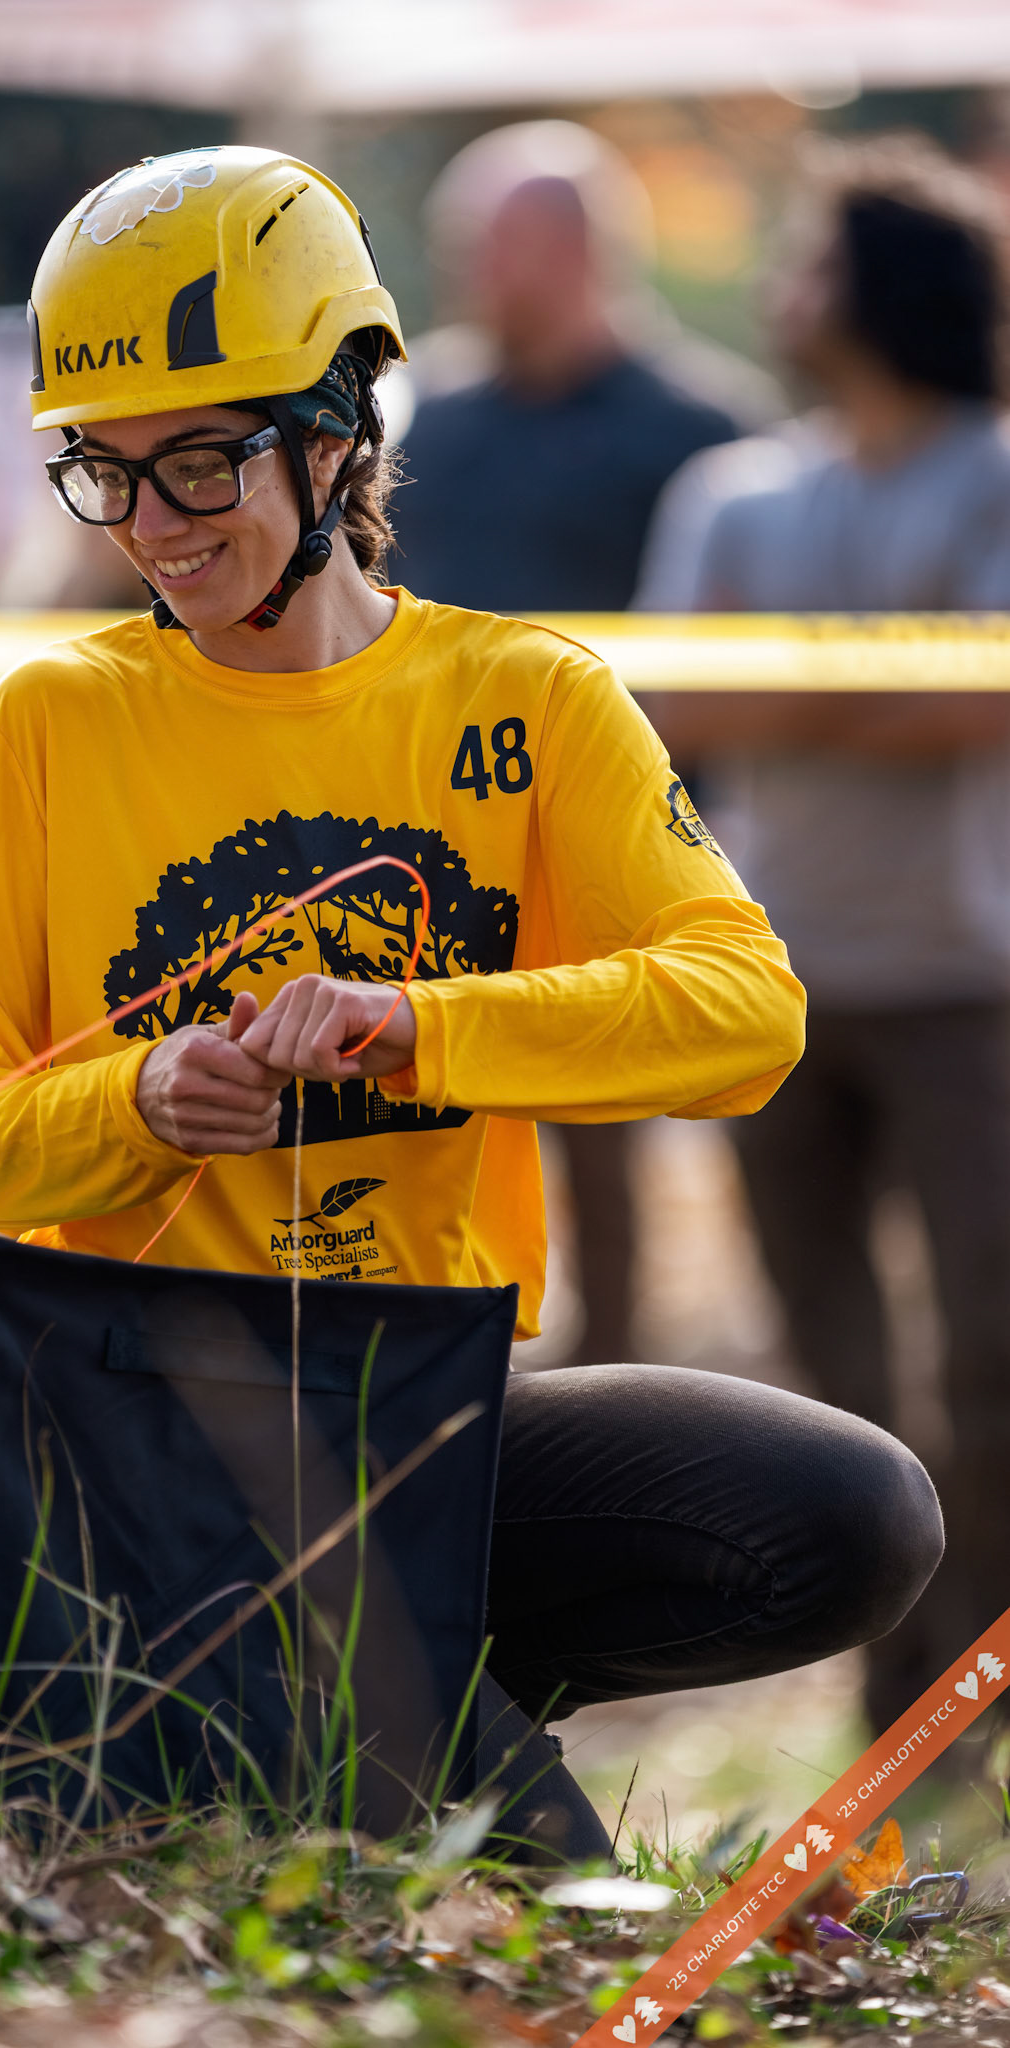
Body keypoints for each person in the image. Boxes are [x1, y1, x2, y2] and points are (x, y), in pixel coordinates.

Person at [0, 145, 941, 1852]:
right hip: (137, 1442)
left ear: (337, 435)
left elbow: (745, 1013)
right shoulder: (42, 726)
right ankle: (318, 1738)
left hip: (425, 1409)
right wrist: (139, 1099)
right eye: (104, 471)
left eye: (200, 462)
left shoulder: (527, 698)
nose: (153, 525)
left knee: (851, 1511)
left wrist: (422, 1024)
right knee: (537, 1895)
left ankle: (382, 1704)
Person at [636, 134, 1010, 1736]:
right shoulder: (733, 489)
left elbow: (980, 698)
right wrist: (882, 685)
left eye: (812, 257)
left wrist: (781, 692)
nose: (783, 287)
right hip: (773, 992)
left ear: (886, 285)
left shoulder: (993, 472)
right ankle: (896, 1703)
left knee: (993, 1361)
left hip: (968, 983)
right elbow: (670, 704)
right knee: (831, 1377)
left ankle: (980, 1694)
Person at [390, 122, 779, 1369]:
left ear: (577, 251)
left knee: (606, 1139)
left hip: (618, 845)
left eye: (488, 244)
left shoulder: (705, 427)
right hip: (436, 841)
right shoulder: (429, 422)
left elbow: (746, 654)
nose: (467, 270)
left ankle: (615, 1387)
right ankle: (453, 1390)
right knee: (429, 1123)